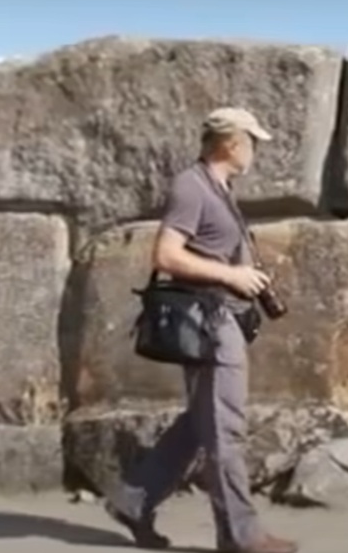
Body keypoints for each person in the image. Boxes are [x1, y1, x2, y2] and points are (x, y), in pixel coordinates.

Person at [104, 107, 299, 553]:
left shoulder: (219, 188)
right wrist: (231, 276)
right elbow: (166, 255)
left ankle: (133, 500)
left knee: (203, 420)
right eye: (253, 142)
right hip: (208, 321)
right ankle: (240, 535)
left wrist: (246, 274)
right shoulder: (191, 187)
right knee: (224, 427)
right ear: (231, 143)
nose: (255, 151)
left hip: (221, 317)